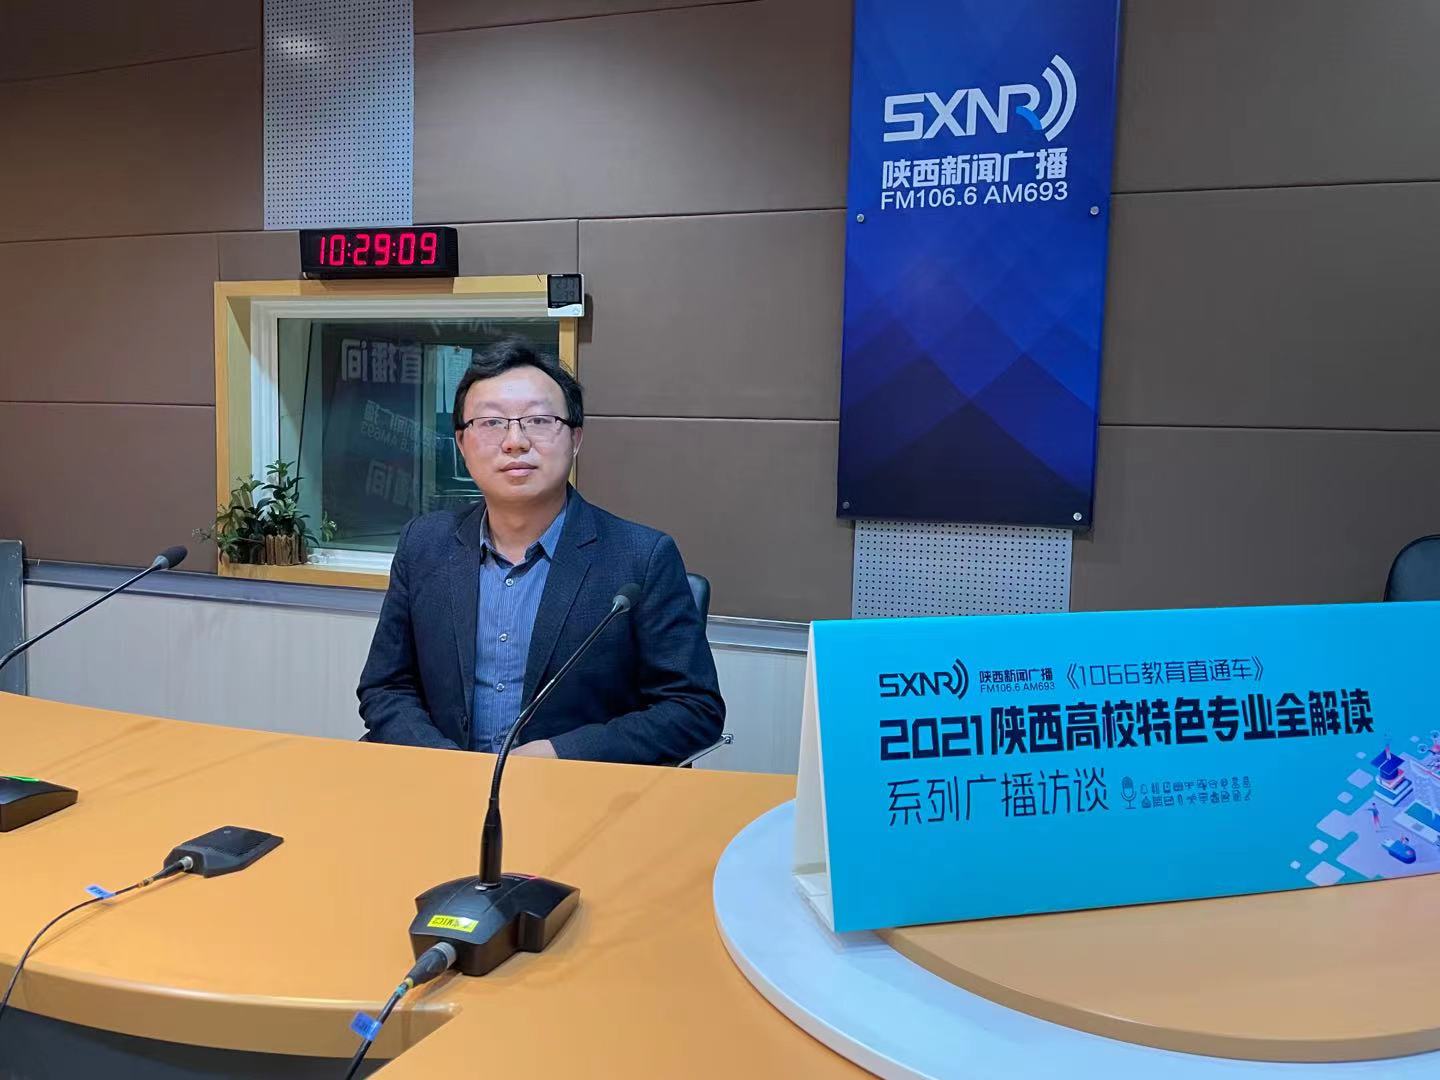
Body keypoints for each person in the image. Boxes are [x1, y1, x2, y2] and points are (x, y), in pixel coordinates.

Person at [357, 339, 724, 765]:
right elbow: (386, 687)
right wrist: (444, 762)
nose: (515, 441)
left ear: (575, 438)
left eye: (538, 420)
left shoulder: (641, 558)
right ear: (462, 443)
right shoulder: (424, 544)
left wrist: (561, 753)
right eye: (491, 423)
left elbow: (693, 709)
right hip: (444, 786)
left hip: (577, 791)